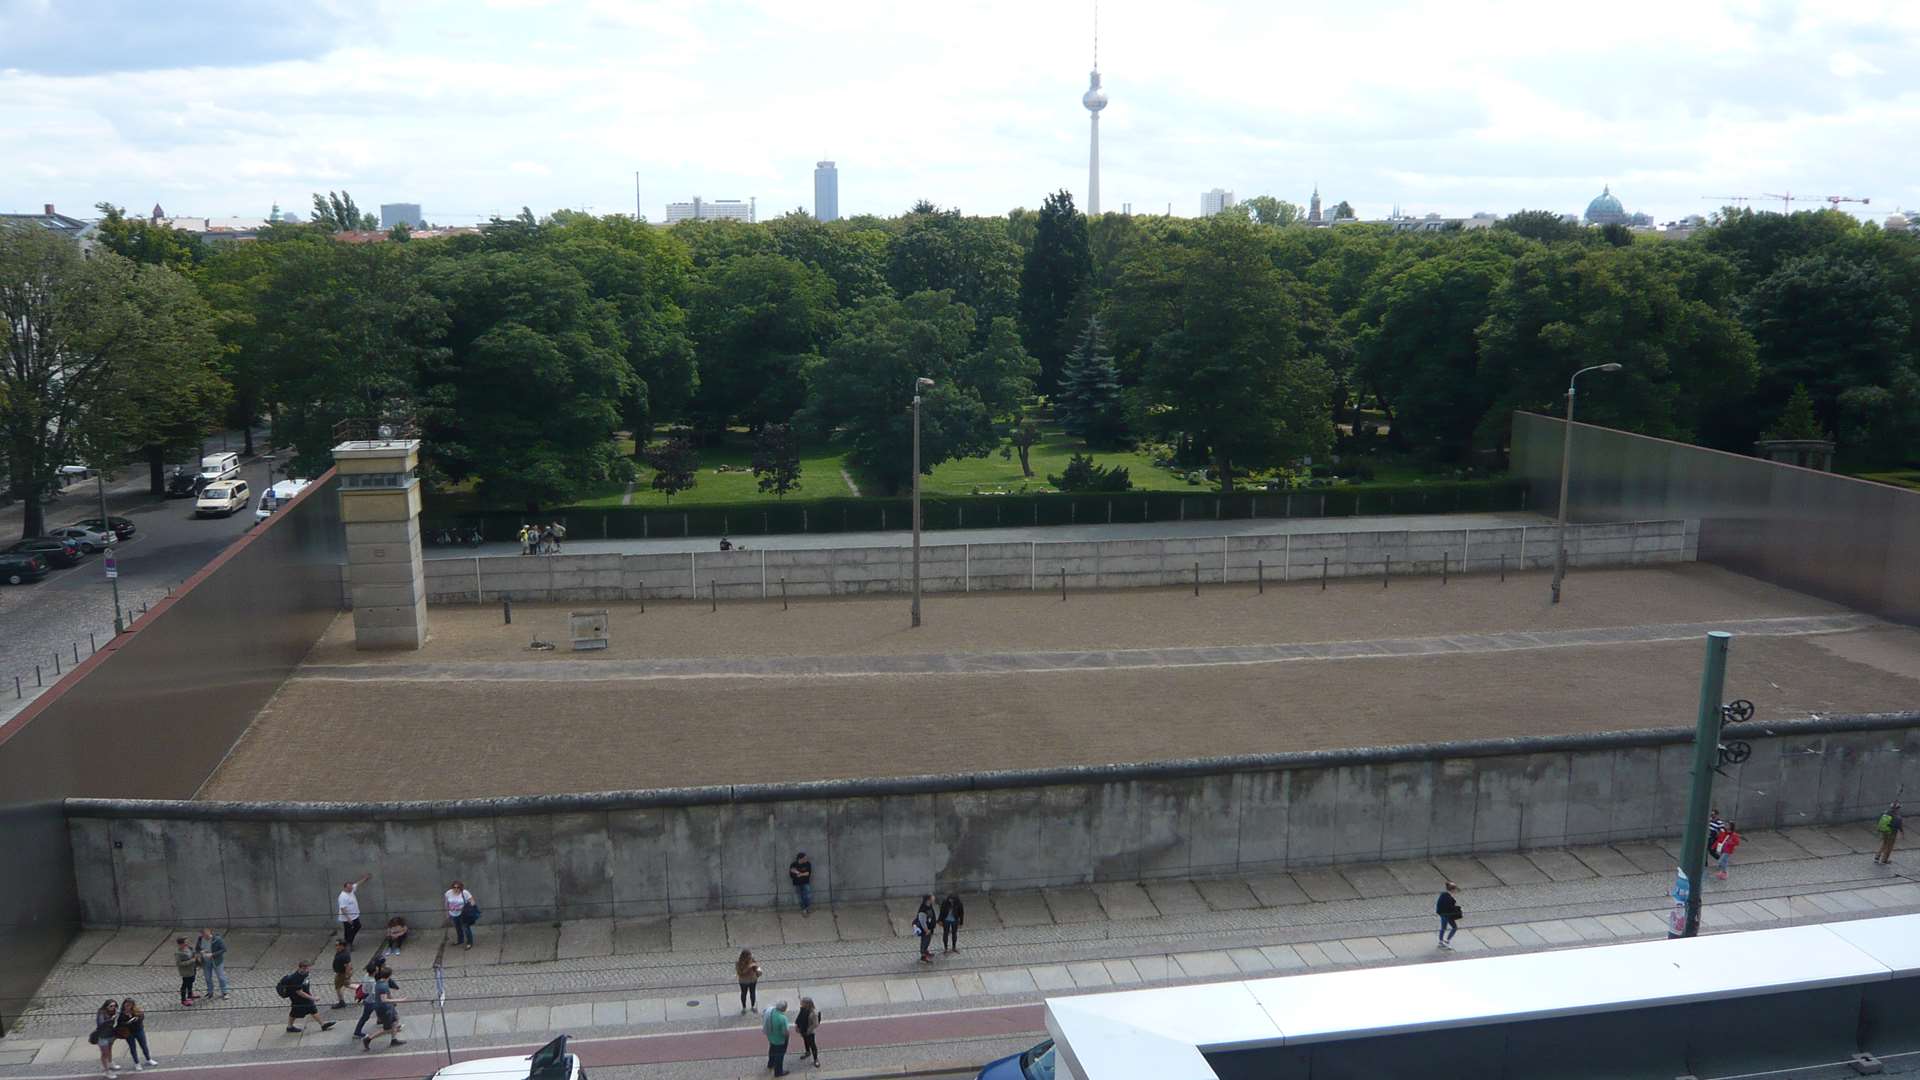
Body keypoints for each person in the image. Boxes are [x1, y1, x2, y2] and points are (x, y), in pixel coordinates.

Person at [279, 960, 337, 1034]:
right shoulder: (295, 978)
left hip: (304, 997)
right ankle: (290, 1027)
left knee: (310, 1009)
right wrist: (313, 998)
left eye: (308, 968)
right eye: (304, 968)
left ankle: (322, 1025)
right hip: (298, 998)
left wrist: (310, 994)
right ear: (299, 968)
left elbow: (305, 986)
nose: (306, 970)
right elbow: (299, 992)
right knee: (297, 1011)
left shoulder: (305, 974)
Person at [362, 965, 407, 1052]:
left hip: (388, 1007)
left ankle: (394, 1040)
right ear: (389, 976)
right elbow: (384, 999)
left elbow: (388, 995)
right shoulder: (382, 986)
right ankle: (368, 1039)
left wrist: (393, 1003)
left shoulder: (381, 982)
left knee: (395, 1020)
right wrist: (400, 1000)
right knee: (387, 1029)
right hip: (384, 1009)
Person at [116, 999, 157, 1070]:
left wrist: (136, 1018)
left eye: (130, 1005)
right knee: (132, 1048)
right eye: (126, 1005)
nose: (128, 1007)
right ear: (124, 1005)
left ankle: (148, 1059)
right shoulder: (122, 1014)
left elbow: (142, 1017)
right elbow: (119, 1024)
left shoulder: (136, 1011)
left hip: (139, 1030)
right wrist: (127, 1022)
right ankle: (137, 1063)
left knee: (144, 1045)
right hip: (129, 1033)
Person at [338, 872, 371, 947]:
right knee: (348, 931)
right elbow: (343, 909)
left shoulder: (351, 890)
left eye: (351, 887)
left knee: (357, 926)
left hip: (354, 915)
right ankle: (348, 943)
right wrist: (348, 918)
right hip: (347, 918)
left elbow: (357, 884)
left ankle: (347, 942)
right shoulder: (343, 896)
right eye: (349, 888)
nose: (351, 889)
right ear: (345, 888)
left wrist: (365, 878)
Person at [197, 928, 229, 999]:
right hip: (206, 961)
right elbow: (197, 949)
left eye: (206, 934)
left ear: (210, 932)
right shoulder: (200, 939)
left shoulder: (217, 939)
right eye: (204, 935)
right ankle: (210, 992)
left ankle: (225, 992)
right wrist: (201, 952)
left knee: (221, 977)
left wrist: (212, 954)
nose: (205, 936)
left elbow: (224, 949)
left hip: (216, 961)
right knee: (207, 977)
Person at [90, 999, 119, 1076]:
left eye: (114, 1006)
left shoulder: (114, 1012)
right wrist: (110, 1019)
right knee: (104, 1053)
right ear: (106, 1006)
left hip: (111, 1034)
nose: (113, 1007)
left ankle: (110, 1063)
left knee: (109, 1050)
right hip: (102, 1036)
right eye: (111, 1006)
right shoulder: (101, 1013)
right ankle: (107, 1071)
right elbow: (100, 1024)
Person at [762, 1000, 791, 1077]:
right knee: (779, 1055)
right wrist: (787, 1038)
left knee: (772, 1050)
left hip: (771, 1037)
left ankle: (770, 1064)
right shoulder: (782, 1018)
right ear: (784, 1008)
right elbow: (785, 1033)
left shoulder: (770, 1011)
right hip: (779, 1040)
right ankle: (778, 1072)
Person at [445, 880, 477, 948]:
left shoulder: (465, 893)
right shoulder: (448, 893)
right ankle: (460, 940)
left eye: (458, 887)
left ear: (461, 888)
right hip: (453, 914)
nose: (456, 889)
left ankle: (469, 942)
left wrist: (464, 908)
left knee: (466, 928)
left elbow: (473, 902)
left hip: (463, 914)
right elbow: (446, 903)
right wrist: (447, 913)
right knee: (458, 928)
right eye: (454, 887)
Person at [794, 995, 822, 1068]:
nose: (801, 1003)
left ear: (807, 1004)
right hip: (803, 1029)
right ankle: (807, 1052)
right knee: (805, 1041)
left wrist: (809, 1030)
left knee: (812, 1045)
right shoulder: (803, 1008)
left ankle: (816, 1059)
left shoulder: (814, 1013)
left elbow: (815, 1024)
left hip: (809, 1031)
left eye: (802, 1002)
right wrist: (797, 1026)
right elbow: (800, 1017)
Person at [1435, 881, 1463, 950]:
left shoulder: (1443, 895)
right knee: (1451, 927)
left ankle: (1442, 941)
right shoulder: (1448, 898)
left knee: (1446, 928)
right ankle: (1445, 941)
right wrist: (1458, 908)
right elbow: (1450, 907)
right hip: (1446, 915)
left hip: (1445, 914)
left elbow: (1439, 906)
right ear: (1452, 890)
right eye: (1455, 889)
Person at [173, 936, 199, 1006]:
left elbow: (193, 953)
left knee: (191, 981)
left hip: (192, 969)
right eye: (186, 942)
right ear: (181, 944)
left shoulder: (188, 948)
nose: (187, 943)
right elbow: (180, 964)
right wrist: (192, 960)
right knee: (185, 984)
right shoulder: (178, 953)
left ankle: (190, 994)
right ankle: (183, 999)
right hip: (186, 972)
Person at [330, 939, 354, 1008]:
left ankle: (341, 1002)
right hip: (341, 973)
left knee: (338, 987)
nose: (336, 946)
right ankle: (362, 989)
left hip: (342, 974)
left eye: (337, 945)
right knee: (347, 985)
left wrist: (347, 977)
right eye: (336, 945)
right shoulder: (340, 952)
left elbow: (348, 966)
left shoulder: (344, 955)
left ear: (342, 946)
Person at [912, 895, 936, 964]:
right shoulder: (923, 909)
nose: (934, 898)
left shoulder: (929, 905)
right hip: (925, 930)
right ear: (928, 900)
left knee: (928, 941)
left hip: (930, 928)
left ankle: (926, 952)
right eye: (932, 898)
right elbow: (922, 921)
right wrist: (926, 930)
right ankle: (923, 957)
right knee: (924, 941)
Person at [736, 949, 761, 1013]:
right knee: (744, 993)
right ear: (745, 956)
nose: (750, 957)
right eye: (749, 956)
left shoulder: (752, 959)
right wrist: (748, 967)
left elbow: (756, 966)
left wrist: (758, 970)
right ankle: (744, 1007)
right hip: (744, 981)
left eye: (750, 955)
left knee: (752, 993)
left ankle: (753, 1006)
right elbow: (740, 973)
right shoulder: (739, 962)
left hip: (753, 979)